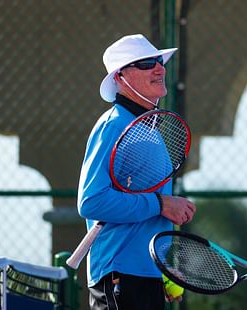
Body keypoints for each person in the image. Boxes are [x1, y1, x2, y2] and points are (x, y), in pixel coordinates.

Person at [77, 34, 196, 310]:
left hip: (146, 276)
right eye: (145, 63)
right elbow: (91, 201)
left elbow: (149, 212)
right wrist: (161, 204)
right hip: (120, 278)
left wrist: (162, 269)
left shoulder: (147, 128)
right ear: (120, 77)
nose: (159, 68)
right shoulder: (113, 125)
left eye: (159, 61)